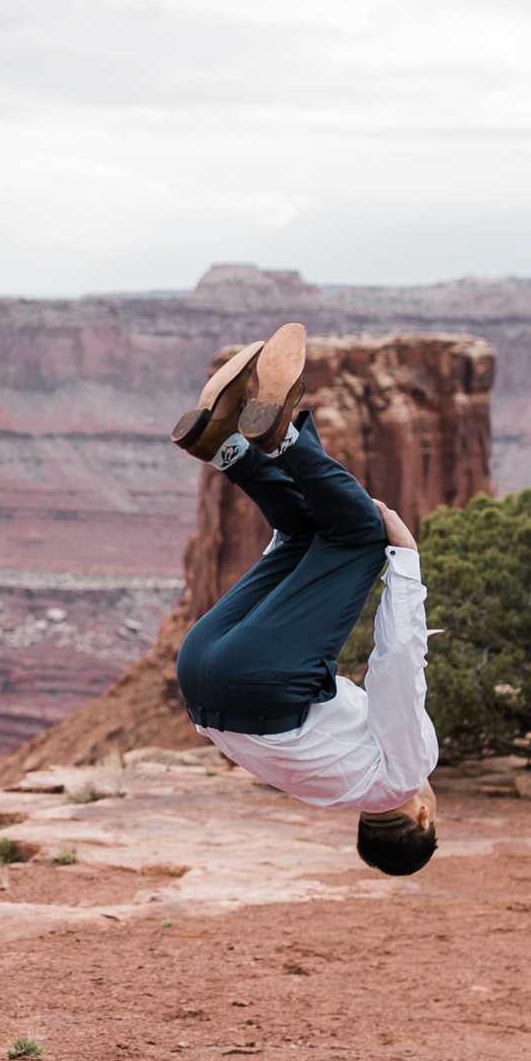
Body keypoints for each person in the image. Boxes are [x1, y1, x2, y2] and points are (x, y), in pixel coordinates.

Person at [172, 325, 438, 876]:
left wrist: (404, 562)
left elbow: (397, 668)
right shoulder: (327, 792)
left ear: (423, 818)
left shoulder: (407, 776)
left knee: (362, 536)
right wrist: (290, 551)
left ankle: (281, 437)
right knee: (302, 536)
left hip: (259, 683)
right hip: (200, 678)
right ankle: (223, 444)